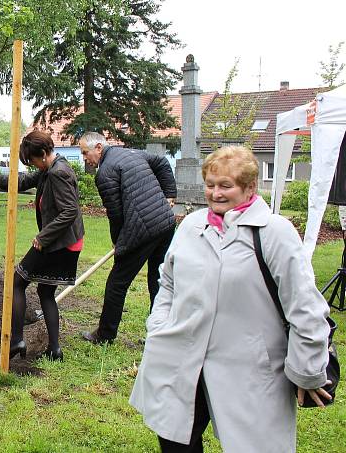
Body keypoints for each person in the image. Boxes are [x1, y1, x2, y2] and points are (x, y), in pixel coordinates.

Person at [130, 146, 332, 452]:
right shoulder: (191, 226)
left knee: (253, 445)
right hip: (182, 359)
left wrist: (307, 372)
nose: (216, 194)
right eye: (210, 185)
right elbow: (167, 281)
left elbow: (305, 307)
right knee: (174, 440)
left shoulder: (275, 233)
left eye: (226, 186)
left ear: (250, 187)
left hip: (248, 369)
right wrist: (158, 324)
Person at [0, 130, 84, 360]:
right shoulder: (49, 169)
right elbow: (22, 181)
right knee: (45, 291)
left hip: (59, 242)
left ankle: (16, 340)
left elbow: (70, 211)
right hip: (64, 241)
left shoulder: (58, 173)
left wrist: (43, 237)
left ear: (43, 154)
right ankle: (54, 351)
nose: (32, 165)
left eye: (32, 160)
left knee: (17, 282)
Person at [78, 132, 176, 344]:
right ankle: (159, 333)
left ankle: (105, 335)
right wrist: (169, 195)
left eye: (85, 153)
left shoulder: (104, 173)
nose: (85, 158)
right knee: (157, 279)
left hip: (142, 229)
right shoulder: (130, 153)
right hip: (166, 223)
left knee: (117, 282)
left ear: (99, 148)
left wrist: (118, 241)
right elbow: (162, 162)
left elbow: (115, 213)